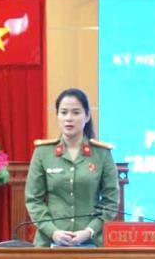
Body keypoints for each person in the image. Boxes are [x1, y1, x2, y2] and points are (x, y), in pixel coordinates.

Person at [25, 88, 119, 247]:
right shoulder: (43, 152)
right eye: (63, 112)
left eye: (76, 112)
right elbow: (33, 200)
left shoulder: (102, 153)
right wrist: (53, 231)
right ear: (57, 116)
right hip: (49, 242)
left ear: (87, 116)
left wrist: (89, 231)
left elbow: (111, 201)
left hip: (92, 242)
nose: (69, 118)